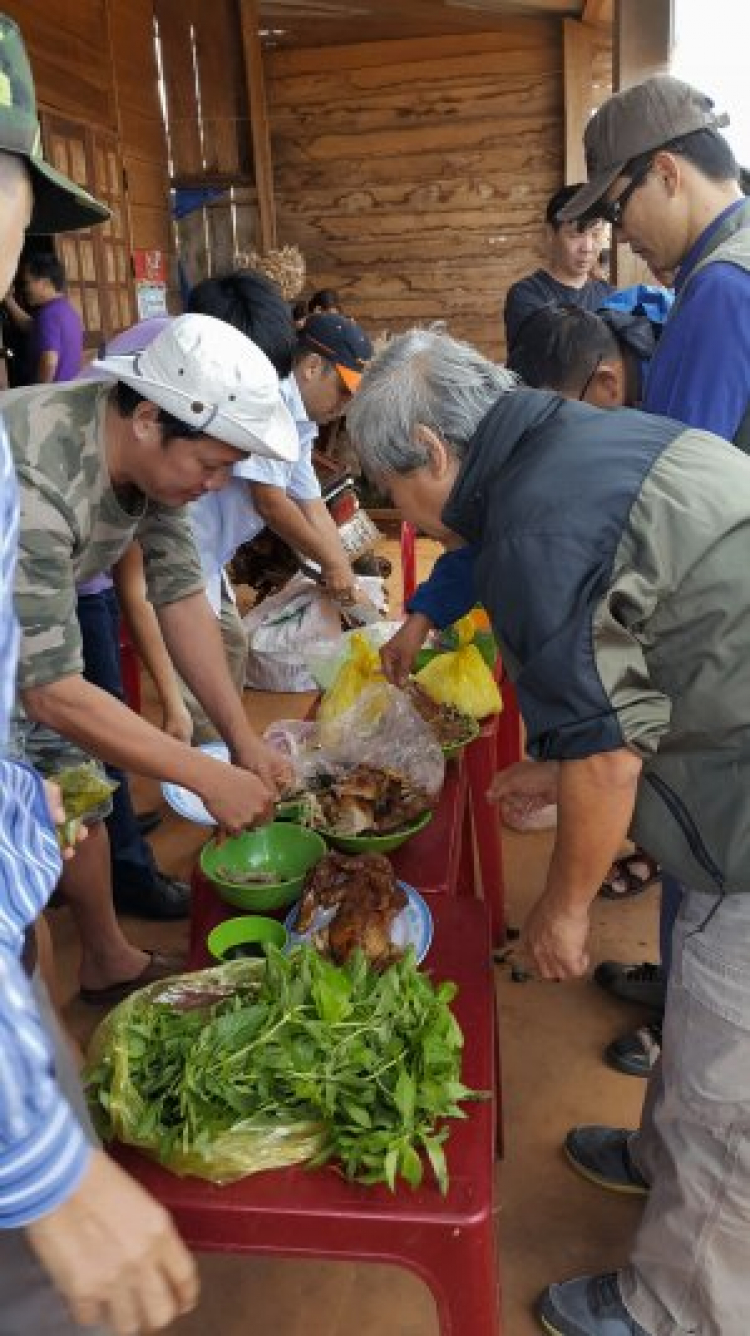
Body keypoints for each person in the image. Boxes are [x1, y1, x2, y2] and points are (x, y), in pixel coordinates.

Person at [349, 324, 750, 1336]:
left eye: (397, 490)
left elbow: (611, 757)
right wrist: (559, 762)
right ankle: (660, 1161)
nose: (406, 517)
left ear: (434, 455)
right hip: (723, 739)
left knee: (730, 1083)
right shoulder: (568, 436)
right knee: (703, 1003)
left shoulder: (531, 525)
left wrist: (564, 909)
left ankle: (682, 1307)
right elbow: (630, 651)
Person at [0, 14, 198, 1334]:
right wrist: (39, 1159)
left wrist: (196, 736)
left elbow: (156, 576)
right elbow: (51, 687)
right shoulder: (39, 453)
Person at [8, 312, 297, 1004]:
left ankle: (106, 957)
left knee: (78, 786)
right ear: (147, 417)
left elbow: (180, 594)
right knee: (16, 845)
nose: (214, 485)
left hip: (24, 617)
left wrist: (238, 742)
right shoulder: (33, 479)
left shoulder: (154, 470)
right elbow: (49, 690)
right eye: (211, 466)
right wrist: (206, 775)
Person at [557, 76, 750, 1090]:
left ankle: (691, 1043)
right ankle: (682, 989)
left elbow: (677, 490)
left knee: (706, 824)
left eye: (619, 206)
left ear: (666, 173)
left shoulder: (723, 287)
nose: (620, 234)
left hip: (726, 625)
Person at [185, 299, 373, 740]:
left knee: (228, 647)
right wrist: (332, 566)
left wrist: (342, 567)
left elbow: (310, 503)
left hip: (211, 552)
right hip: (190, 542)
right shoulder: (272, 403)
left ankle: (221, 750)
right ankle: (209, 768)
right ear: (310, 367)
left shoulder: (301, 423)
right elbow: (271, 501)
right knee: (205, 664)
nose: (343, 404)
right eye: (342, 389)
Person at [502, 184, 613, 352]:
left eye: (596, 234)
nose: (588, 247)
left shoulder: (610, 296)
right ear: (550, 234)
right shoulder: (527, 296)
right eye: (575, 235)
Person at [4, 249, 83, 382]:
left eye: (26, 283)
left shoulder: (48, 315)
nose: (24, 289)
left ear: (45, 283)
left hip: (49, 397)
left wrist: (37, 395)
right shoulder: (66, 311)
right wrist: (8, 300)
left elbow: (49, 361)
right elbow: (30, 326)